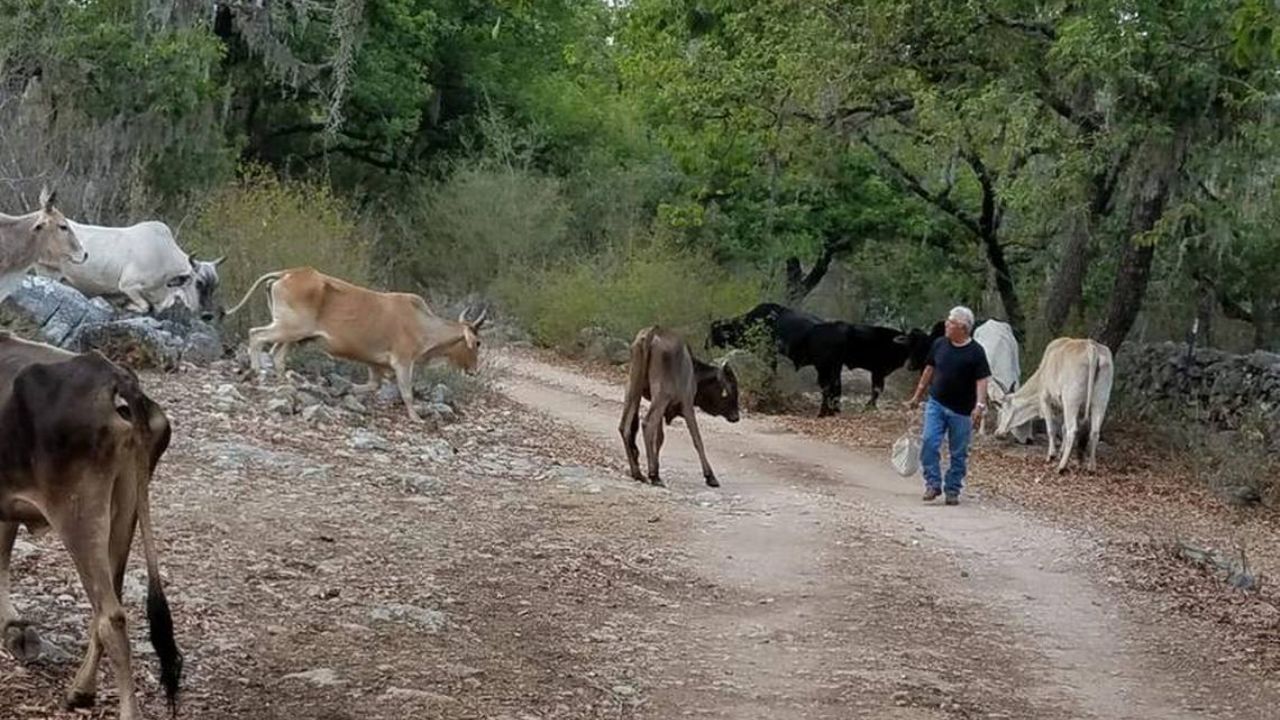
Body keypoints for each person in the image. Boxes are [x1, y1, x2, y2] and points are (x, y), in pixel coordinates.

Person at [905, 306, 991, 505]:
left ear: (962, 327)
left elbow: (982, 380)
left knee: (958, 453)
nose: (946, 324)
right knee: (929, 442)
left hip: (962, 411)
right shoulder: (939, 344)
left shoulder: (976, 352)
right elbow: (929, 370)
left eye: (950, 322)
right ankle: (932, 484)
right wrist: (917, 397)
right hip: (936, 404)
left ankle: (952, 489)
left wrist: (979, 405)